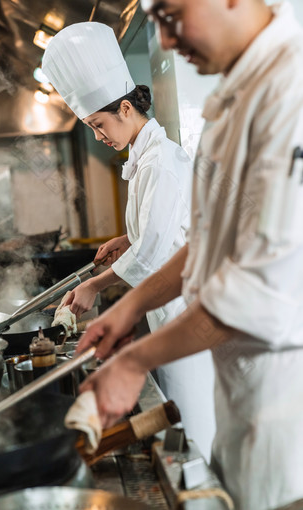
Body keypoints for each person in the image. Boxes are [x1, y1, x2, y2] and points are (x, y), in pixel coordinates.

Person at [75, 1, 303, 509]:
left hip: (287, 424)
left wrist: (134, 361)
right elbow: (205, 242)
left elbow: (255, 293)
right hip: (241, 401)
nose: (168, 42)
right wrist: (128, 310)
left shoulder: (290, 96)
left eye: (172, 16)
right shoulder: (231, 102)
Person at [42, 22, 216, 458]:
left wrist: (94, 285)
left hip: (185, 314)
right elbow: (164, 227)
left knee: (193, 426)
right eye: (90, 128)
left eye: (99, 124)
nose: (98, 137)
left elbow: (157, 250)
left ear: (124, 109)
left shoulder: (158, 162)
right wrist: (127, 236)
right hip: (167, 311)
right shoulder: (145, 159)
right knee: (182, 420)